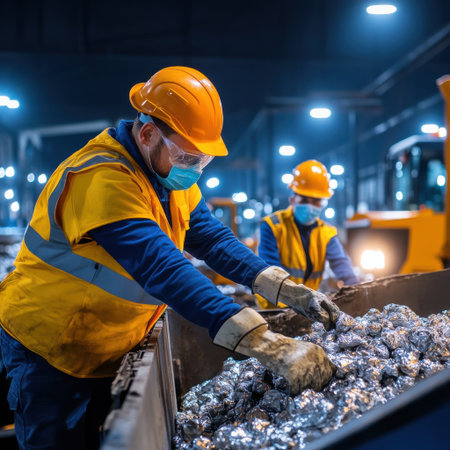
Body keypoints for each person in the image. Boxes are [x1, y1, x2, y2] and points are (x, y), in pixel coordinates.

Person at [0, 67, 339, 449]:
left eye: (202, 161)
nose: (194, 169)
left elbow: (211, 239)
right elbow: (160, 265)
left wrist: (284, 288)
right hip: (50, 347)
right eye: (188, 156)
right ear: (147, 135)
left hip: (106, 344)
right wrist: (263, 342)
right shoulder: (102, 177)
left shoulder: (167, 178)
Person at [257, 160, 358, 309]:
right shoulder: (273, 226)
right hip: (274, 307)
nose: (310, 206)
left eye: (316, 201)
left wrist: (357, 291)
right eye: (304, 200)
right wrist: (295, 303)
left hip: (307, 308)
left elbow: (342, 265)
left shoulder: (326, 232)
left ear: (322, 204)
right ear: (293, 199)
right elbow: (271, 273)